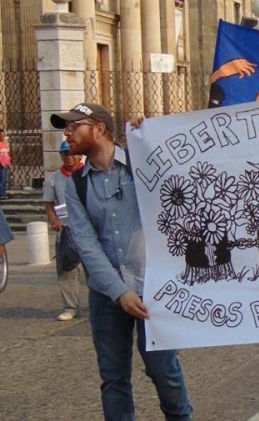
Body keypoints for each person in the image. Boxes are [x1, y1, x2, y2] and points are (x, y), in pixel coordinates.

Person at [50, 103, 193, 421]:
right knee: (113, 380)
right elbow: (85, 244)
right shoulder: (75, 183)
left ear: (98, 128)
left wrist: (153, 139)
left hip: (152, 288)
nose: (67, 133)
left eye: (74, 126)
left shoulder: (139, 163)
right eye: (67, 127)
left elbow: (181, 187)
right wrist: (119, 291)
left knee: (163, 371)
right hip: (106, 294)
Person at [43, 140, 85, 321]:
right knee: (66, 269)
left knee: (96, 269)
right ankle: (70, 306)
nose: (68, 157)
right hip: (66, 228)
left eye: (72, 152)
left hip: (88, 227)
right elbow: (49, 202)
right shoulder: (53, 179)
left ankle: (103, 307)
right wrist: (53, 219)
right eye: (65, 154)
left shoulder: (88, 172)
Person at [0, 128, 11, 199]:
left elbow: (7, 152)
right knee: (2, 180)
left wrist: (9, 162)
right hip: (1, 164)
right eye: (1, 134)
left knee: (5, 180)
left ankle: (3, 194)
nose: (3, 136)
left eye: (4, 134)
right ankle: (1, 194)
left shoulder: (5, 143)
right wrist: (1, 163)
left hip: (7, 163)